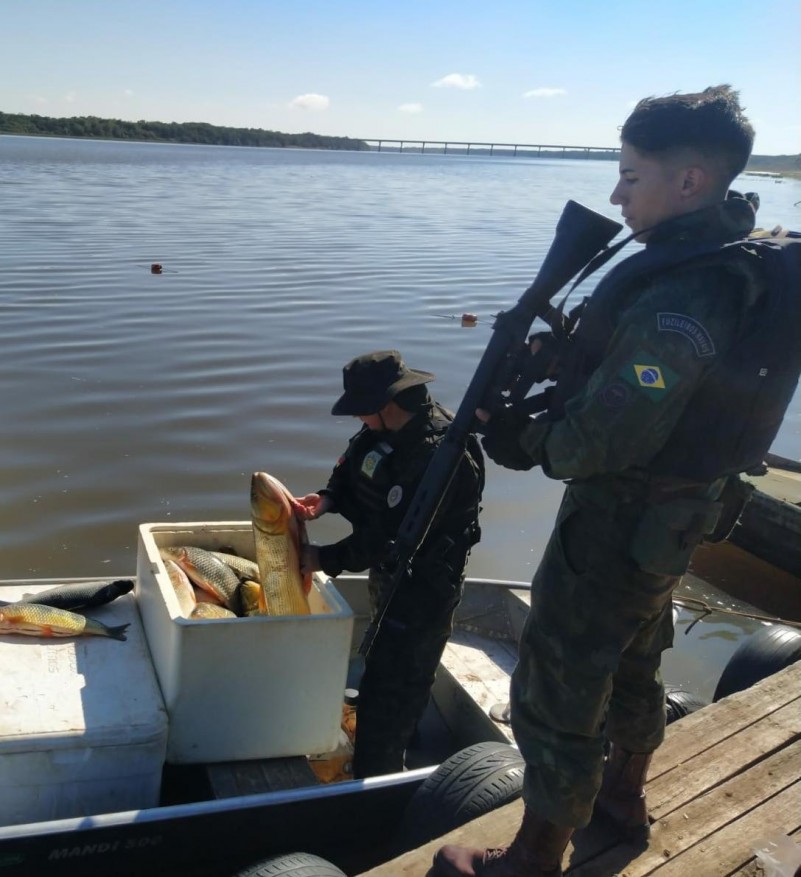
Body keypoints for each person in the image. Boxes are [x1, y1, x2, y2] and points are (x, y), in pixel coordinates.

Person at [433, 85, 801, 877]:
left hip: (619, 518)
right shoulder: (728, 255)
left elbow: (608, 432)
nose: (615, 193)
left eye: (630, 177)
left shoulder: (681, 291)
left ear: (689, 182)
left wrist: (526, 440)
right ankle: (622, 801)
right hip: (674, 515)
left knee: (557, 677)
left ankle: (534, 854)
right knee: (635, 656)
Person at [296, 350, 484, 779]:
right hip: (389, 576)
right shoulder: (384, 431)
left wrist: (322, 559)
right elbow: (352, 471)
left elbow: (390, 536)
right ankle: (400, 736)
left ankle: (379, 781)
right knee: (383, 666)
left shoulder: (440, 454)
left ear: (387, 404)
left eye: (362, 411)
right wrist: (326, 501)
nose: (357, 420)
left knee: (393, 686)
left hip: (423, 588)